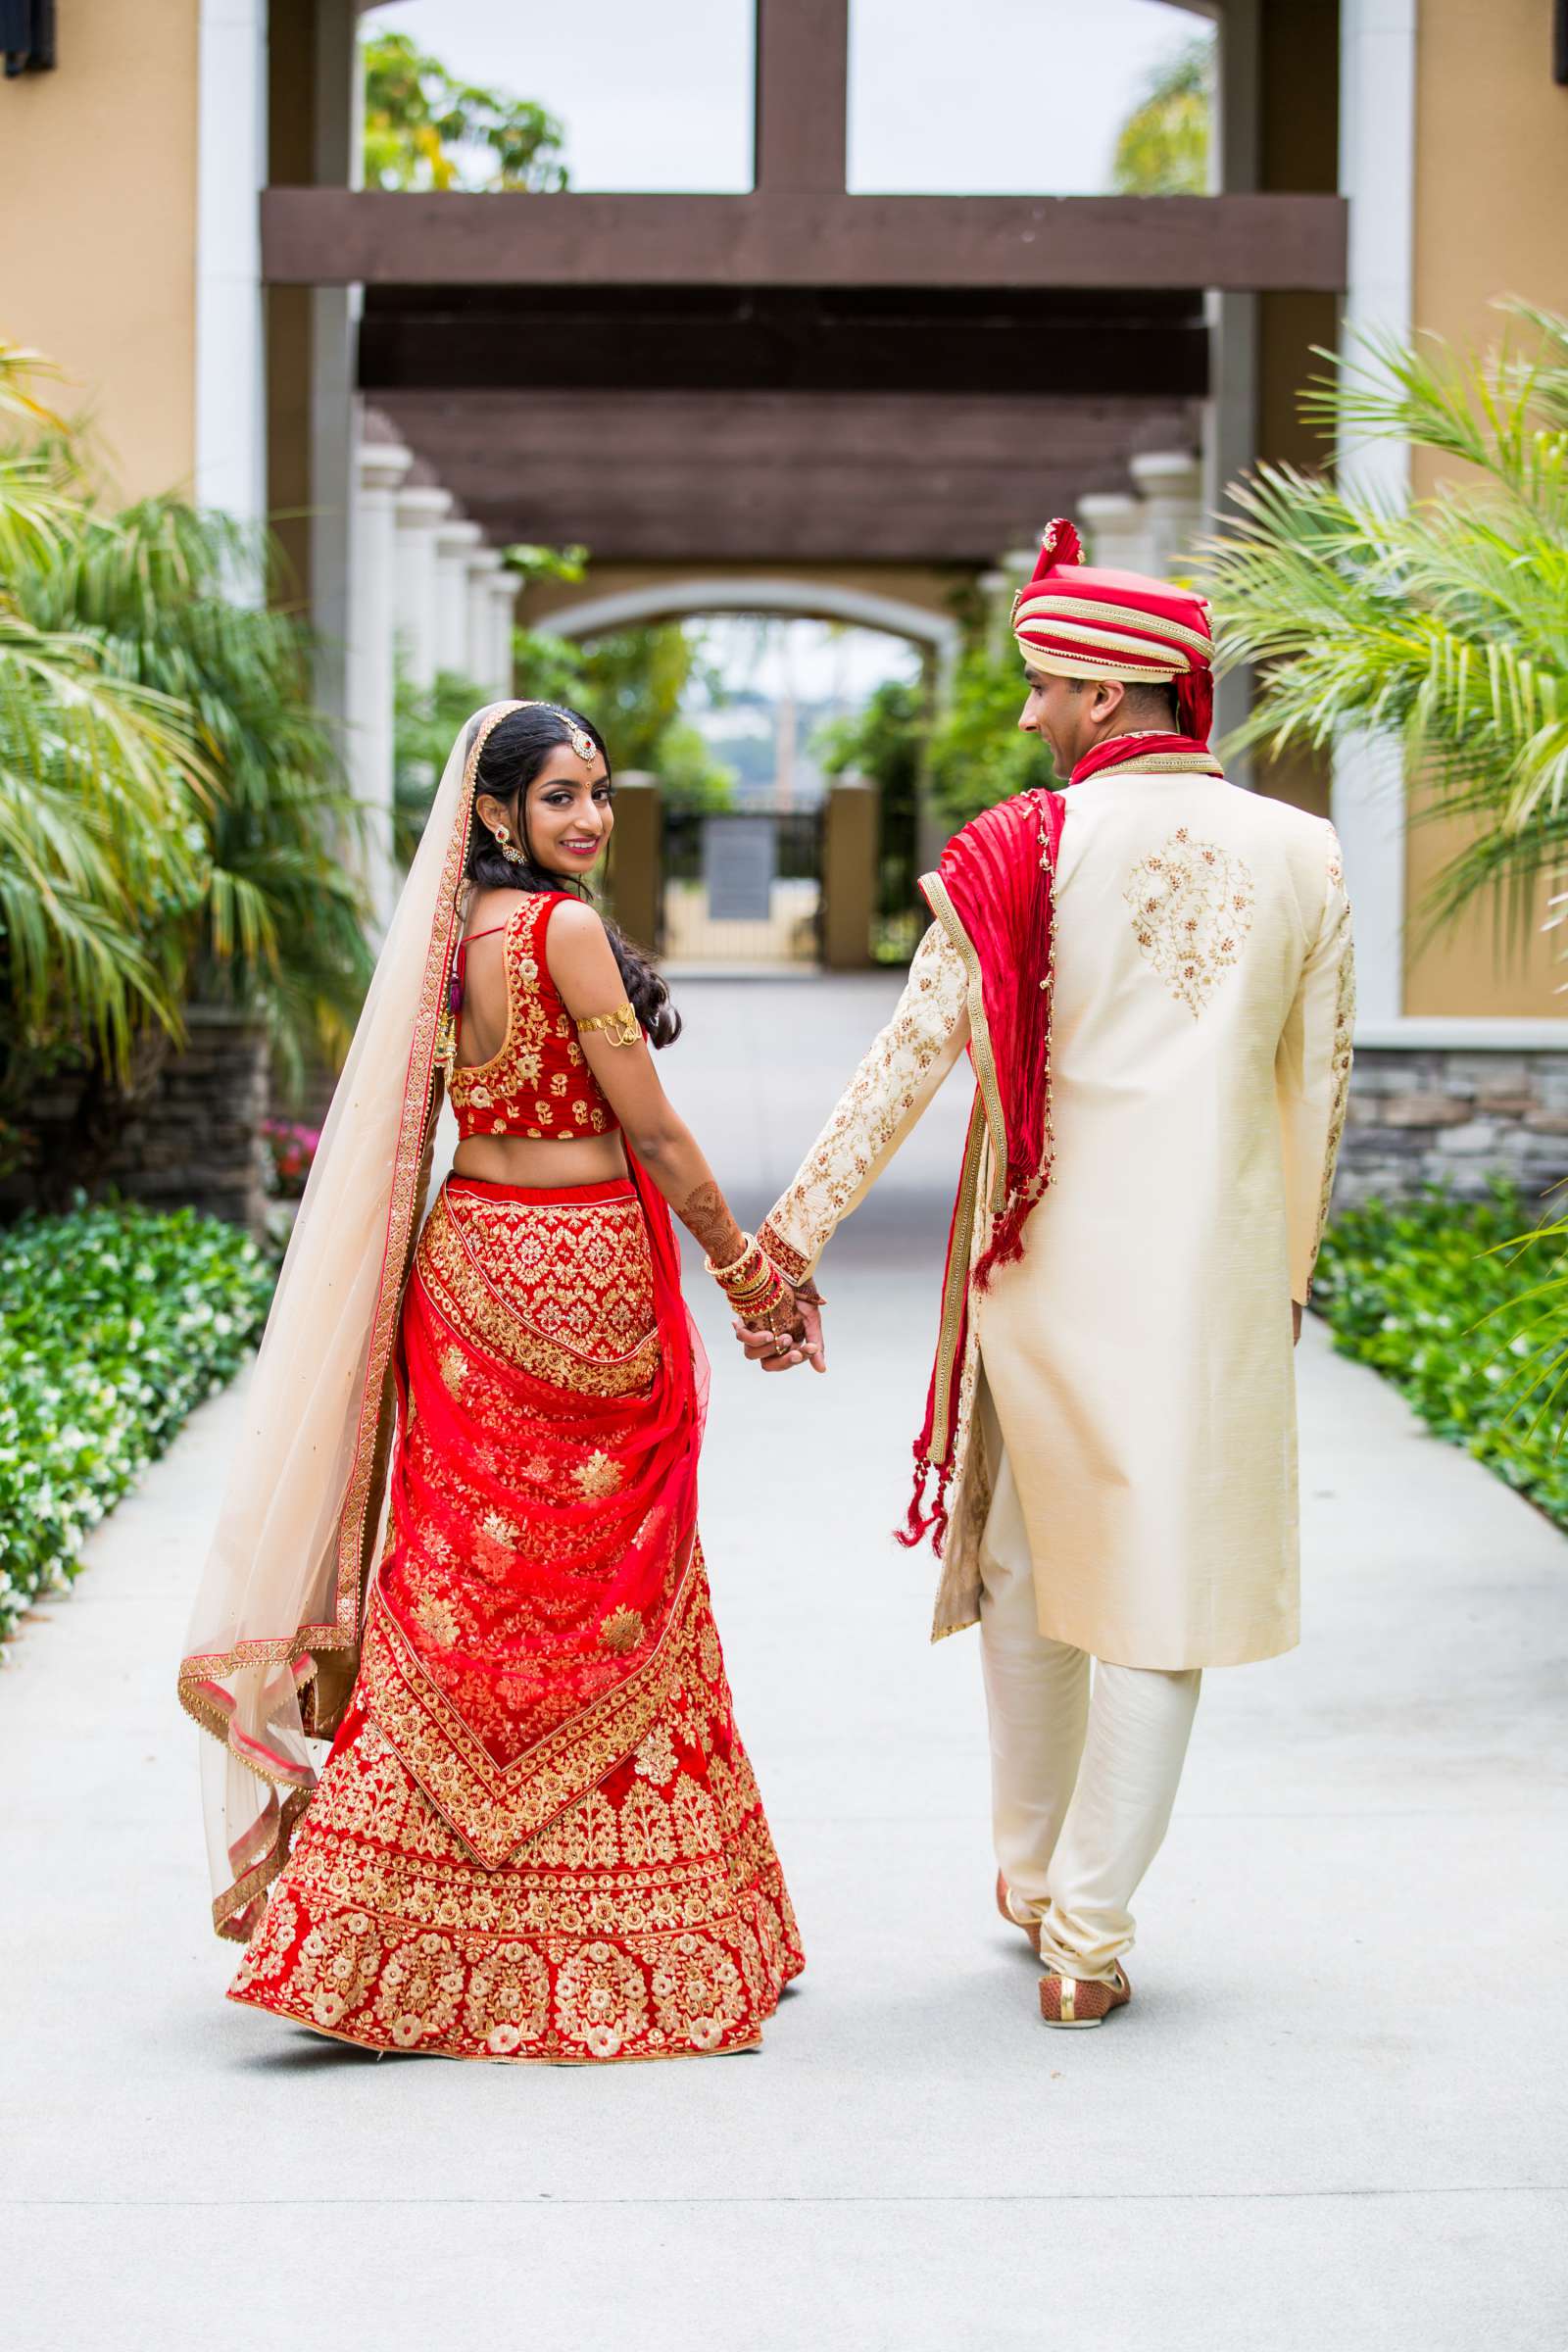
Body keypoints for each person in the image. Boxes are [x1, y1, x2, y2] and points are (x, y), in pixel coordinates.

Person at [741, 521, 1354, 2028]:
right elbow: (1316, 1096)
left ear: (1109, 691)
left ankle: (1031, 1878)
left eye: (1043, 686)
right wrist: (1285, 1280)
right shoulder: (1304, 853)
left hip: (1041, 1269)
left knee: (1026, 1560)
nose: (1029, 715)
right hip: (1204, 1285)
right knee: (1162, 1594)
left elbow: (905, 1065)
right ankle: (1083, 1935)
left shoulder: (1022, 854)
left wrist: (786, 1243)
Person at [178, 700, 810, 2065]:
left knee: (453, 1592)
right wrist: (750, 1277)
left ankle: (370, 1937)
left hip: (464, 1273)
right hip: (580, 1273)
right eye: (563, 797)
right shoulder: (564, 933)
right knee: (618, 1588)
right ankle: (663, 1921)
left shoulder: (443, 941)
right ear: (495, 810)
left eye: (599, 797)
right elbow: (652, 1127)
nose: (587, 820)